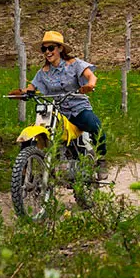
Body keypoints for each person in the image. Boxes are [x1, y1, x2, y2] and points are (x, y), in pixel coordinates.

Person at [23, 30, 108, 179]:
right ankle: (24, 173)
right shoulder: (43, 72)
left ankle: (101, 160)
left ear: (60, 48)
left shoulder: (74, 64)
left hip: (78, 108)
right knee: (30, 135)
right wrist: (21, 93)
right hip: (58, 112)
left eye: (51, 48)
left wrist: (90, 85)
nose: (47, 52)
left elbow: (91, 76)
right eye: (44, 49)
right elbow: (31, 87)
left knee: (95, 126)